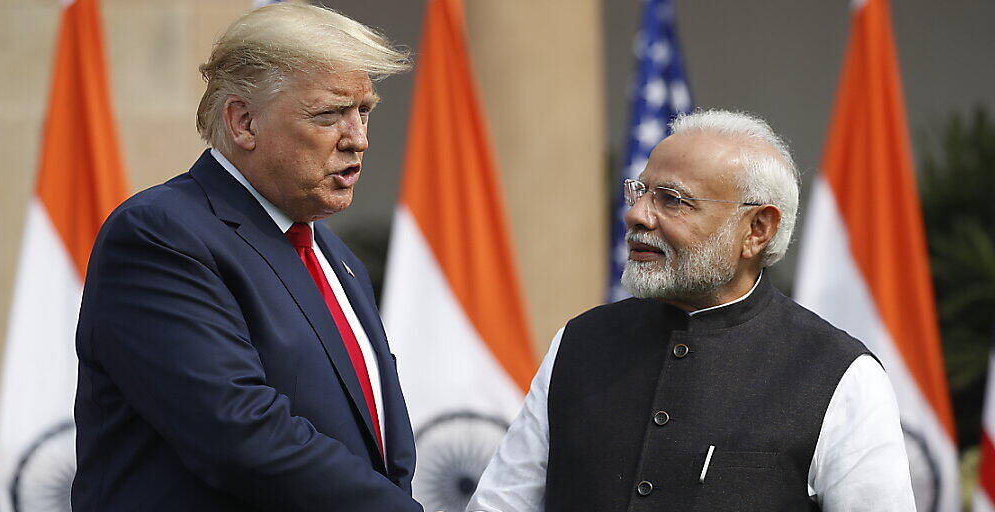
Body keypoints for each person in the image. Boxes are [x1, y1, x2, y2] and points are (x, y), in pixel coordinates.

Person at [468, 110, 915, 511]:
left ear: (757, 230)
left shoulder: (837, 373)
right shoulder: (581, 342)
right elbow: (500, 503)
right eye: (640, 192)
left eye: (672, 200)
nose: (638, 215)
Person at [72, 4, 423, 511]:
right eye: (329, 114)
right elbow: (239, 434)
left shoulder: (333, 254)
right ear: (243, 121)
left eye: (363, 110)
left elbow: (379, 439)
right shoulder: (161, 234)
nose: (359, 139)